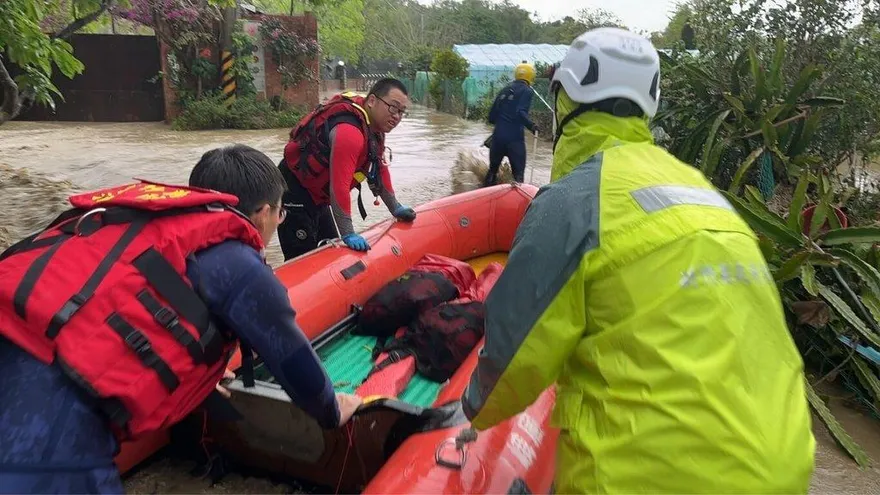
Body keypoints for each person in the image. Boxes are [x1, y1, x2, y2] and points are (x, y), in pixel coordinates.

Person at [462, 28, 815, 493]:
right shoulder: (701, 190)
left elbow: (512, 362)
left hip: (653, 476)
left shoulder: (574, 201)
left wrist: (467, 410)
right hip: (784, 464)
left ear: (565, 98)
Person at [0, 144, 362, 494]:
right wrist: (333, 410)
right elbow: (293, 360)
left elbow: (107, 306)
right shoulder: (236, 261)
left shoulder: (136, 224)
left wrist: (198, 376)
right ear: (263, 212)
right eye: (280, 214)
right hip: (47, 420)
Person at [277, 78, 416, 260]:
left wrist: (395, 207)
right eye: (393, 107)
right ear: (372, 101)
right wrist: (348, 232)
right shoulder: (349, 133)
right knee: (301, 258)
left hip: (318, 197)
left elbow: (380, 169)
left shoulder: (374, 129)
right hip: (294, 190)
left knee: (331, 253)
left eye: (401, 111)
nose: (396, 116)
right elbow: (339, 187)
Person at [483, 62, 538, 186]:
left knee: (492, 171)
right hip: (515, 139)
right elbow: (520, 112)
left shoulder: (505, 88)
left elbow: (491, 116)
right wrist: (532, 126)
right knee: (518, 178)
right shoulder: (527, 91)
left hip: (497, 138)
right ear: (531, 76)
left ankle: (481, 196)